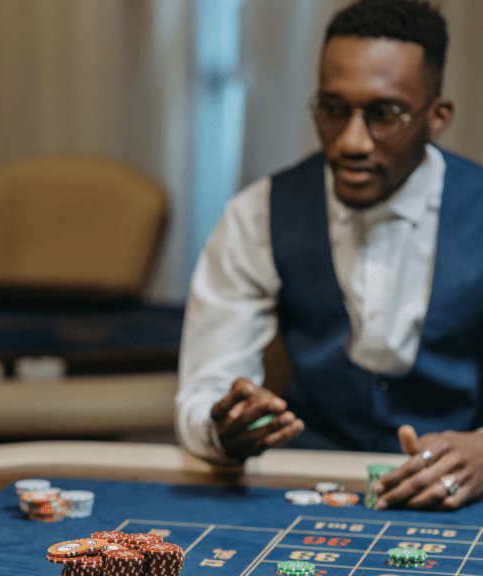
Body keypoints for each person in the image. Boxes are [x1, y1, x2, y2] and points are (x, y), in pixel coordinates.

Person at [175, 0, 483, 511]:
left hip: (463, 496)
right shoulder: (259, 214)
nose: (351, 142)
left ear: (437, 116)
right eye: (333, 109)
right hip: (307, 487)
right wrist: (223, 429)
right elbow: (202, 394)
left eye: (385, 114)